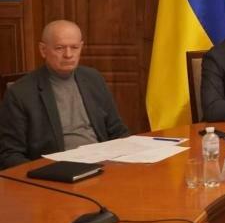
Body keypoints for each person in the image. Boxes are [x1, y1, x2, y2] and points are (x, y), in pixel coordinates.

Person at [0, 20, 129, 169]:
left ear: (81, 47)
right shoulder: (20, 92)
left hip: (103, 164)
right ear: (43, 50)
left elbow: (117, 130)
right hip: (56, 170)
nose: (68, 55)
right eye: (59, 48)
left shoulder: (93, 78)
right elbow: (9, 154)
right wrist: (41, 173)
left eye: (74, 47)